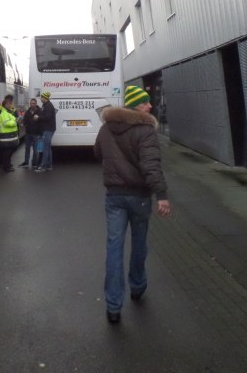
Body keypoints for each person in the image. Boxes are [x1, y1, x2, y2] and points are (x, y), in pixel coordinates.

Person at [94, 85, 171, 324]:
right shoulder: (145, 129)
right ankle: (137, 286)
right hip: (138, 196)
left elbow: (97, 153)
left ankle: (113, 306)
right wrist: (162, 195)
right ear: (136, 105)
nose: (150, 106)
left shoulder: (106, 128)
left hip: (114, 196)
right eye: (146, 102)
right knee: (139, 244)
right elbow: (151, 165)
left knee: (114, 247)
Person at [34, 92, 57, 172]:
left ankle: (44, 166)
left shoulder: (48, 106)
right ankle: (49, 165)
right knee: (48, 147)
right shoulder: (46, 105)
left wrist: (38, 117)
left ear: (45, 98)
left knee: (45, 148)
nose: (41, 98)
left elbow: (47, 117)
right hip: (49, 129)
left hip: (48, 129)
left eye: (42, 97)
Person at [0, 94, 20, 172]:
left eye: (11, 101)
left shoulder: (10, 110)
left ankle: (7, 165)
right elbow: (6, 122)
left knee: (10, 151)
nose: (11, 103)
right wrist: (15, 121)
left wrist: (16, 119)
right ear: (6, 102)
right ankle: (5, 166)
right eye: (9, 101)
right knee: (7, 152)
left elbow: (14, 116)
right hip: (6, 135)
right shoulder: (2, 111)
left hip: (10, 135)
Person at [18, 98, 42, 168]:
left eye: (34, 103)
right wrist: (23, 123)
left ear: (36, 104)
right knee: (27, 148)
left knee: (35, 149)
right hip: (28, 133)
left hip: (36, 133)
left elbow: (42, 122)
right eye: (31, 103)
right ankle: (26, 162)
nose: (32, 104)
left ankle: (34, 163)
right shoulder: (27, 111)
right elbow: (25, 120)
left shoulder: (39, 111)